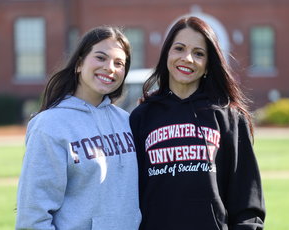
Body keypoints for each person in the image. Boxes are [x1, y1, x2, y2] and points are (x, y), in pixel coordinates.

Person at [130, 16, 265, 230]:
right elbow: (129, 194)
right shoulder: (142, 116)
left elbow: (247, 198)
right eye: (179, 49)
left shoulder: (229, 117)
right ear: (167, 53)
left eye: (199, 54)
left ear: (208, 64)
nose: (188, 59)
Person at [16, 26, 141, 230]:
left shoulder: (126, 121)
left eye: (119, 63)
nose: (110, 68)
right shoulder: (50, 125)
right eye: (101, 58)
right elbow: (32, 217)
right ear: (79, 64)